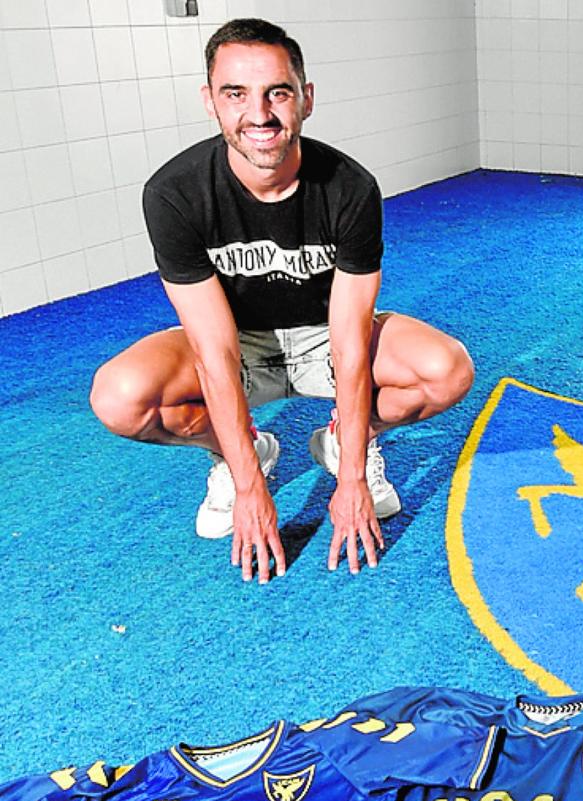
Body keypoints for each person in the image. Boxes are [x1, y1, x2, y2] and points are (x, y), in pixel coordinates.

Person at [89, 19, 473, 583]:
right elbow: (214, 350)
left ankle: (347, 440)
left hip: (322, 338)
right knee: (120, 398)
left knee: (446, 370)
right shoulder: (175, 194)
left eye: (278, 92)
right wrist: (247, 485)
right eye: (235, 94)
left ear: (306, 99)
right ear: (211, 103)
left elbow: (348, 336)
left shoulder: (350, 188)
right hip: (237, 344)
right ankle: (241, 450)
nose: (259, 113)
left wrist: (352, 481)